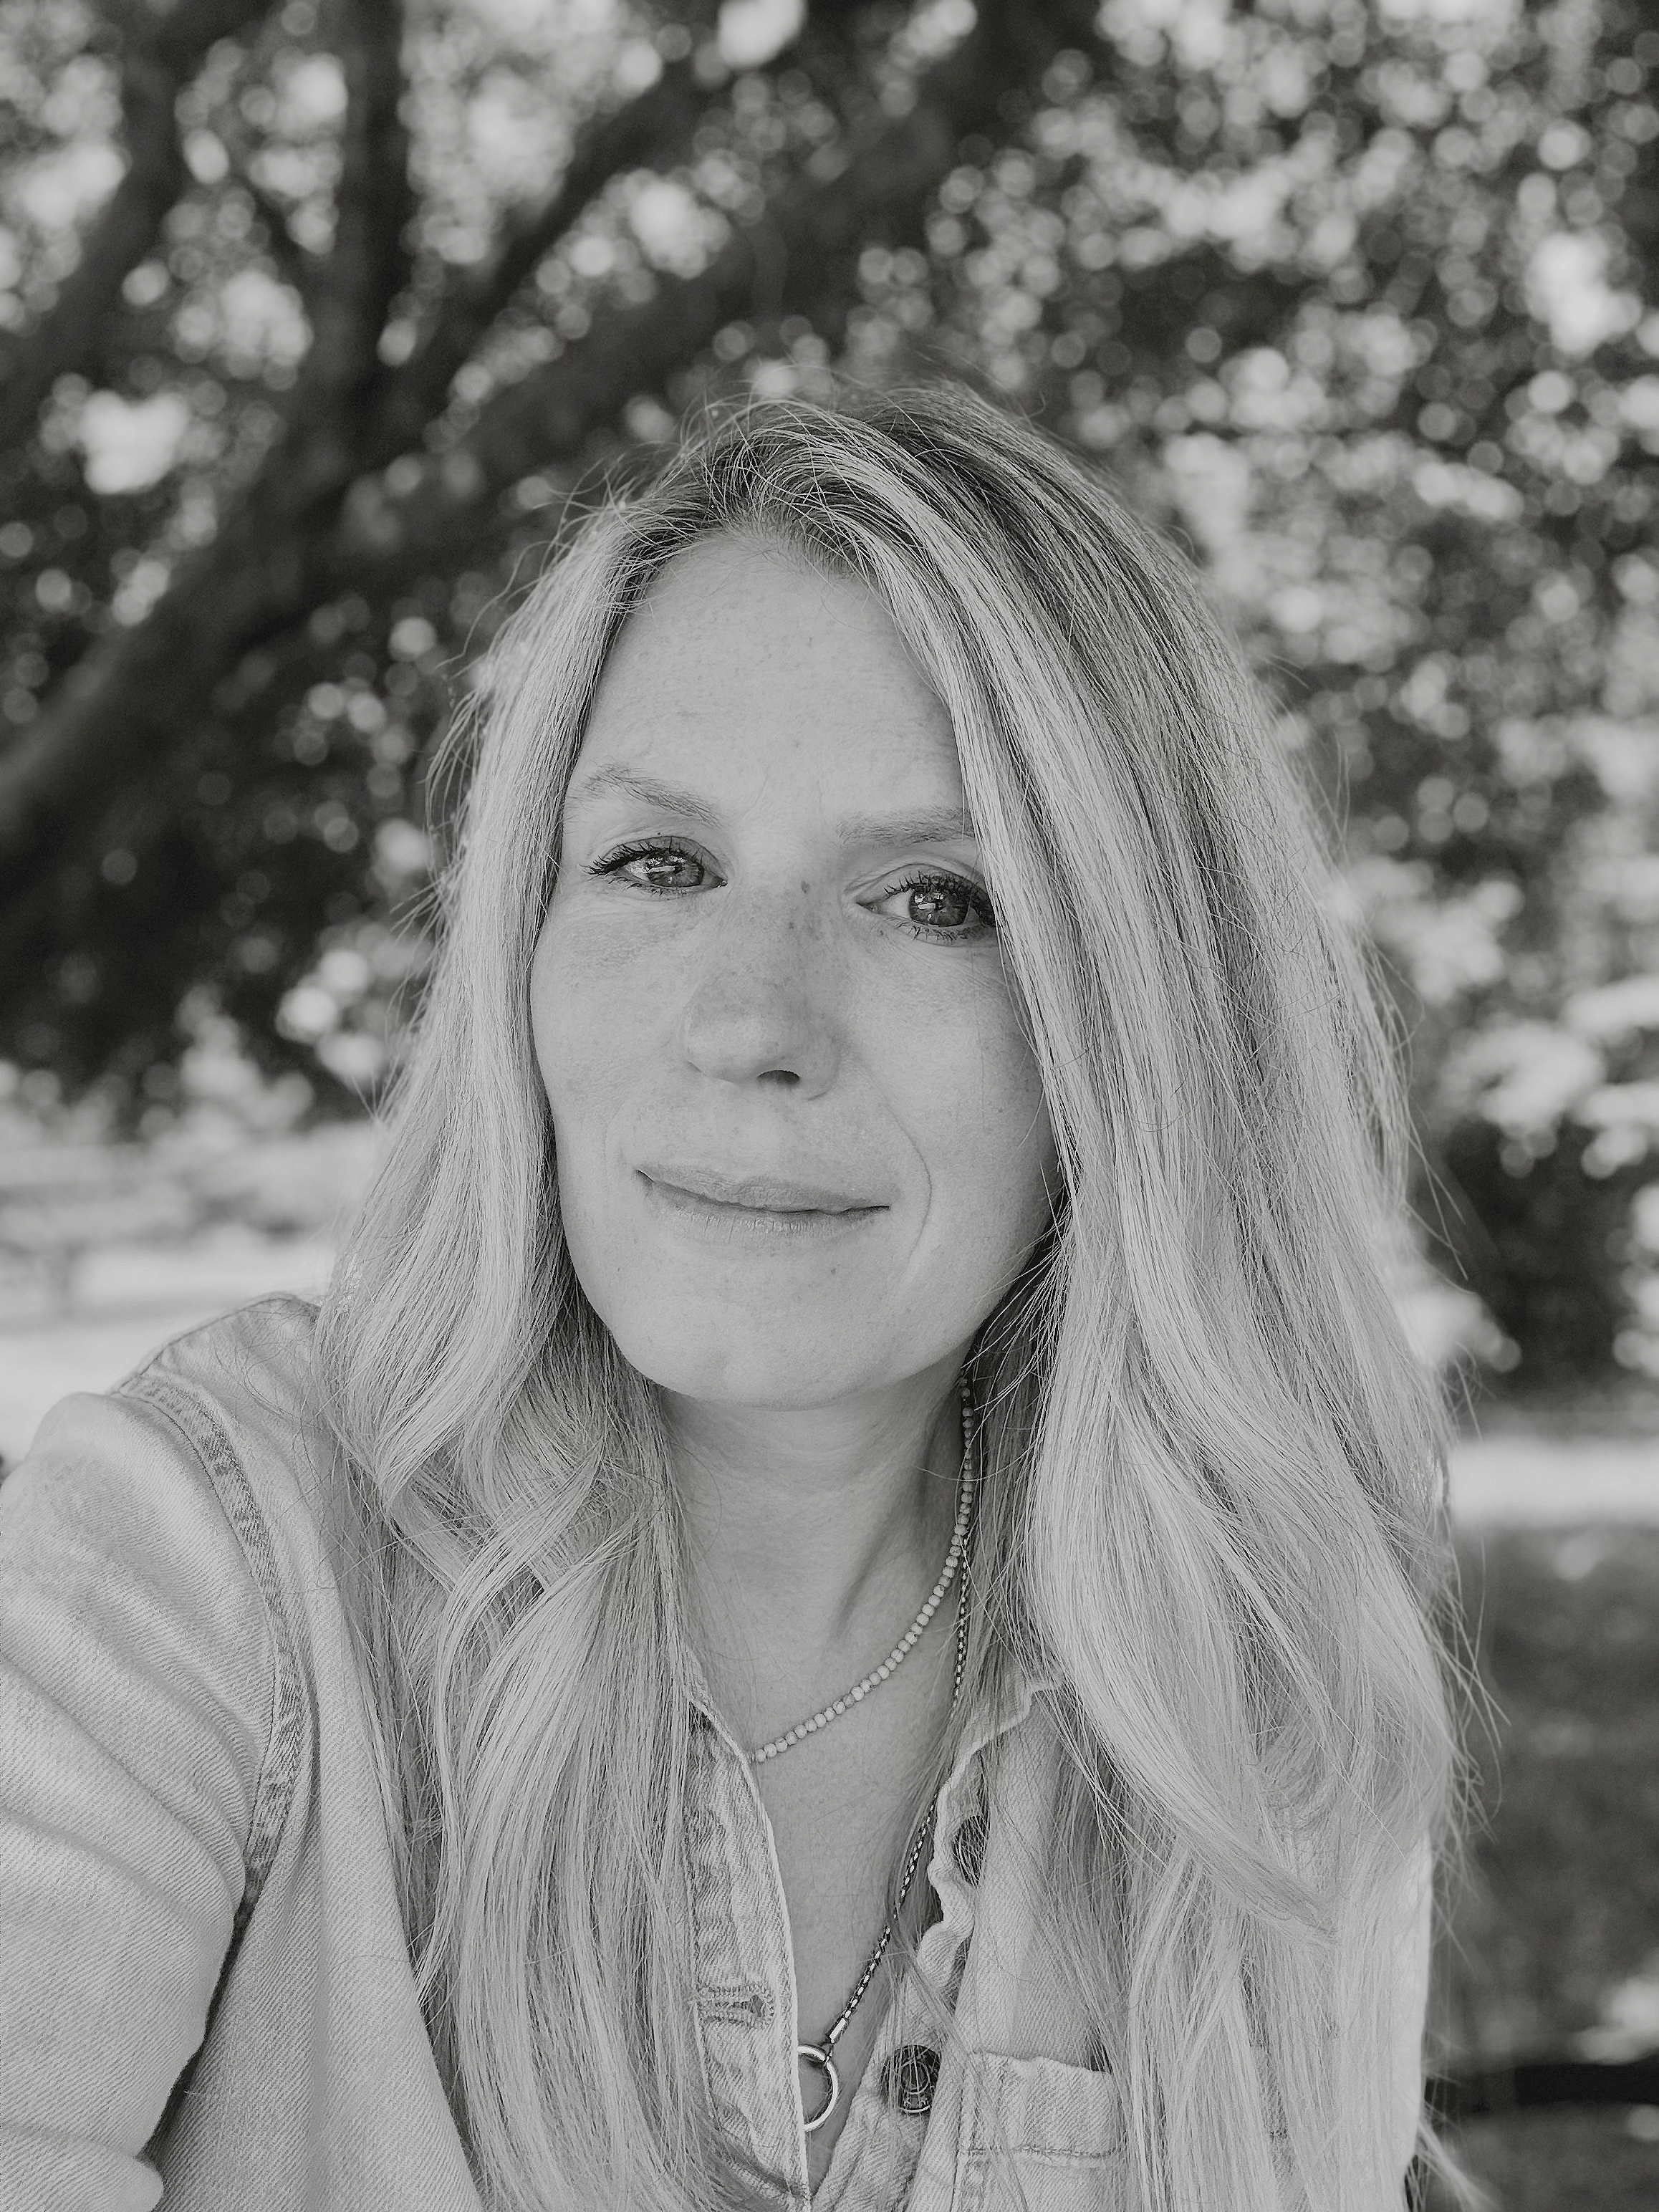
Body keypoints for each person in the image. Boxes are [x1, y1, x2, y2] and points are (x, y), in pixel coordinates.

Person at [0, 385, 1467, 2212]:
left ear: (1139, 1028)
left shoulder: (1268, 1684)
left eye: (937, 897)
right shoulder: (185, 1564)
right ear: (520, 951)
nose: (752, 1020)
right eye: (659, 864)